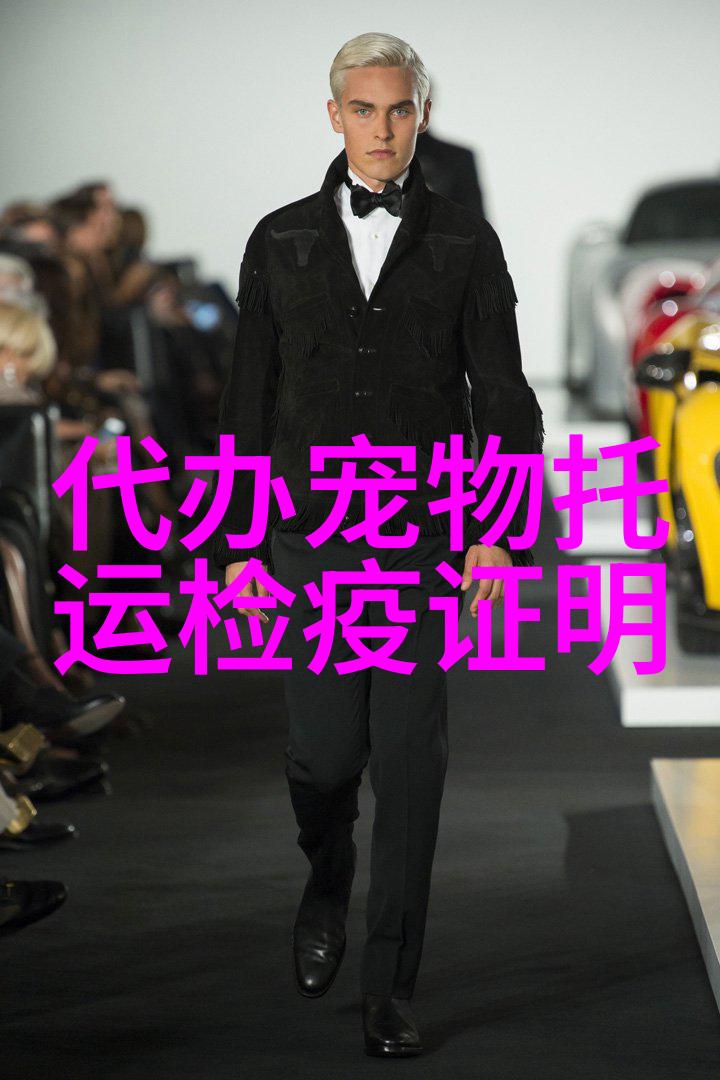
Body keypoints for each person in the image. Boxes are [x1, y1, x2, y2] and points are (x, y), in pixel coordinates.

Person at [212, 31, 544, 1059]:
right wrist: (235, 545)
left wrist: (498, 534)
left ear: (422, 116)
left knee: (408, 768)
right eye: (364, 109)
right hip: (308, 538)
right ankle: (327, 869)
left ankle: (390, 986)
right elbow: (246, 400)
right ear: (335, 116)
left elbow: (504, 397)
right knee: (322, 758)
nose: (383, 129)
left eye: (400, 109)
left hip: (420, 541)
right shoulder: (279, 239)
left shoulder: (466, 241)